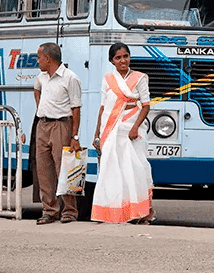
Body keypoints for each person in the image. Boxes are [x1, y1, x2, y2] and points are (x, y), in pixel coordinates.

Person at [90, 42, 155, 224]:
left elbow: (146, 106)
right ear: (112, 61)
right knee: (111, 170)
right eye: (118, 57)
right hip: (110, 130)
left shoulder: (140, 78)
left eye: (125, 56)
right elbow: (103, 108)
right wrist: (97, 134)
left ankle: (141, 213)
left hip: (131, 129)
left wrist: (135, 128)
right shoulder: (107, 79)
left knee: (136, 169)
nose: (122, 60)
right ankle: (111, 213)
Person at [33, 42, 83, 225]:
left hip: (61, 125)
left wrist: (74, 136)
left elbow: (76, 108)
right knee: (44, 170)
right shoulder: (42, 76)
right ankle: (49, 210)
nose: (37, 61)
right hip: (43, 125)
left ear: (48, 58)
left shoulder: (70, 78)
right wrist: (41, 107)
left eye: (39, 57)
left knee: (65, 168)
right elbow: (36, 89)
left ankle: (69, 211)